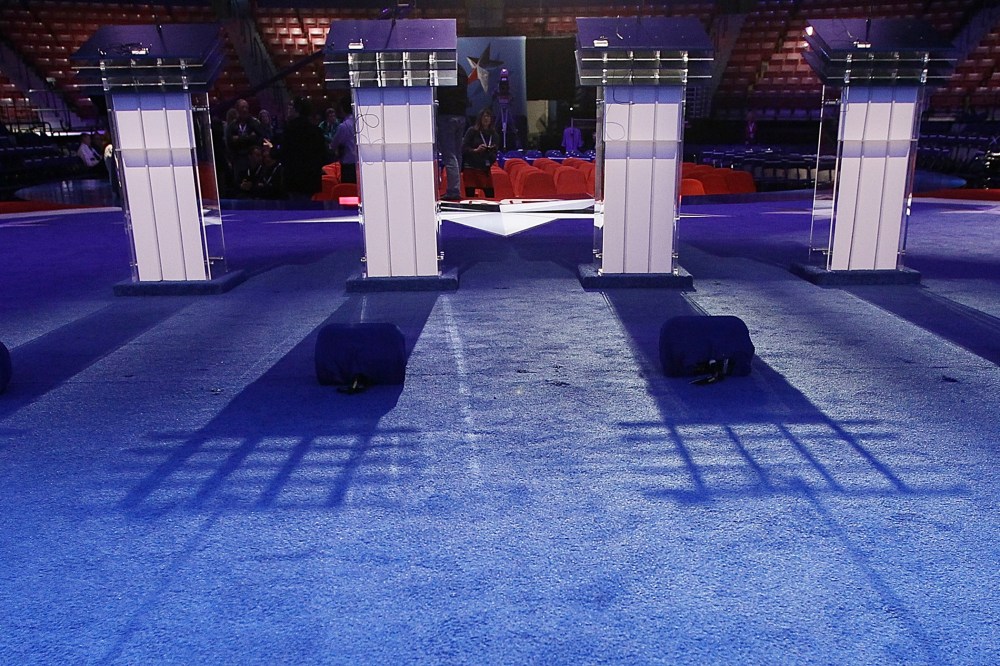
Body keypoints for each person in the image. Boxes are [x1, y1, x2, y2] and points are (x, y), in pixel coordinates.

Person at [277, 96, 327, 199]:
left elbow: (284, 153)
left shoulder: (289, 129)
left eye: (291, 106)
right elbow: (323, 154)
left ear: (296, 110)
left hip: (293, 178)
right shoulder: (316, 130)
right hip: (311, 178)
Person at [436, 65, 468, 201]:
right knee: (456, 154)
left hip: (447, 115)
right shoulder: (462, 71)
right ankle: (456, 187)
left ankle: (453, 190)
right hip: (461, 115)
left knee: (449, 155)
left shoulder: (443, 70)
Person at [462, 108, 500, 198]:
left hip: (484, 169)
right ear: (480, 118)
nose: (486, 118)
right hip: (471, 168)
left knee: (490, 195)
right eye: (484, 116)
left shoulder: (494, 134)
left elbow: (496, 153)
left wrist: (490, 151)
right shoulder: (472, 131)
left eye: (488, 116)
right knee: (470, 197)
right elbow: (463, 148)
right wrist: (476, 150)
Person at [226, 99, 265, 181]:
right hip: (238, 158)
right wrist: (249, 137)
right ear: (237, 109)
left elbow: (260, 138)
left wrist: (239, 139)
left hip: (253, 159)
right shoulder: (232, 125)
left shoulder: (254, 123)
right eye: (242, 107)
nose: (245, 110)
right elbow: (230, 142)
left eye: (246, 107)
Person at [329, 97, 358, 184]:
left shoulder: (343, 126)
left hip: (349, 165)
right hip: (362, 162)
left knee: (348, 192)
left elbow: (333, 145)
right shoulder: (359, 122)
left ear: (342, 109)